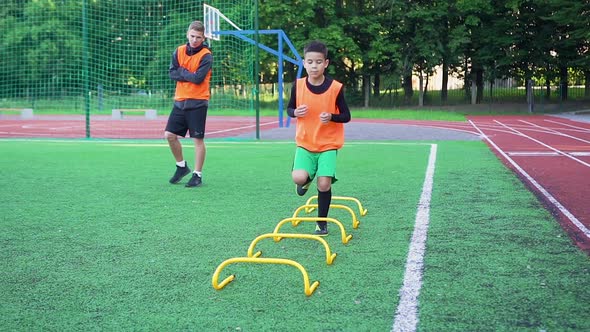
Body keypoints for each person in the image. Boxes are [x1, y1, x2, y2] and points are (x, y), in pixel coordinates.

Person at [286, 40, 351, 236]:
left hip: (328, 144)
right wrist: (295, 112)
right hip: (305, 143)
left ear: (326, 63)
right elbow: (289, 109)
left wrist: (332, 116)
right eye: (310, 62)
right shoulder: (297, 86)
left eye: (318, 62)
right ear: (304, 63)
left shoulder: (336, 88)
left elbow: (346, 116)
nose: (314, 66)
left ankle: (321, 223)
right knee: (298, 177)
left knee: (324, 184)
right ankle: (305, 180)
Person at [165, 21, 213, 187]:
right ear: (187, 34)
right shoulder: (178, 51)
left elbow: (198, 78)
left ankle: (197, 174)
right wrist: (188, 74)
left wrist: (182, 72)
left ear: (203, 37)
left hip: (198, 102)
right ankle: (181, 166)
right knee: (169, 135)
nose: (195, 40)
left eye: (198, 37)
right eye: (192, 36)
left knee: (197, 140)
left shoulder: (206, 55)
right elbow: (172, 73)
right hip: (180, 101)